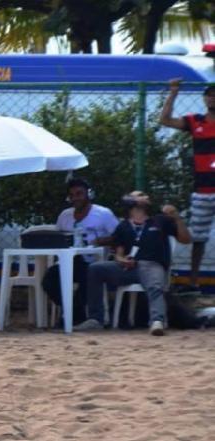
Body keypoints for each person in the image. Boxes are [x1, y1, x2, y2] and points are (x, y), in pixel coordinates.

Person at [76, 191, 191, 336]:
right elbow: (119, 252)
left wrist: (177, 218)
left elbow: (186, 239)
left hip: (152, 265)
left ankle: (157, 320)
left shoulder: (160, 220)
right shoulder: (124, 226)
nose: (147, 196)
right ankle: (95, 319)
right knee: (95, 269)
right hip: (129, 267)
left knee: (154, 285)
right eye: (141, 194)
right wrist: (121, 259)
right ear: (130, 201)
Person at [159, 80, 215, 289]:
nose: (212, 98)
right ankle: (193, 282)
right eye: (209, 94)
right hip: (202, 190)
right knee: (198, 238)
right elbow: (164, 120)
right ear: (204, 98)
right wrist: (173, 93)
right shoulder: (195, 121)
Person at [41, 177, 119, 325]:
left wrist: (101, 241)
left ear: (89, 194)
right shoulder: (65, 215)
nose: (75, 198)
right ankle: (75, 313)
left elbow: (119, 236)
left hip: (92, 262)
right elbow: (57, 237)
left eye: (79, 194)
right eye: (72, 195)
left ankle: (72, 316)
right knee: (49, 280)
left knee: (88, 276)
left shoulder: (103, 214)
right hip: (68, 261)